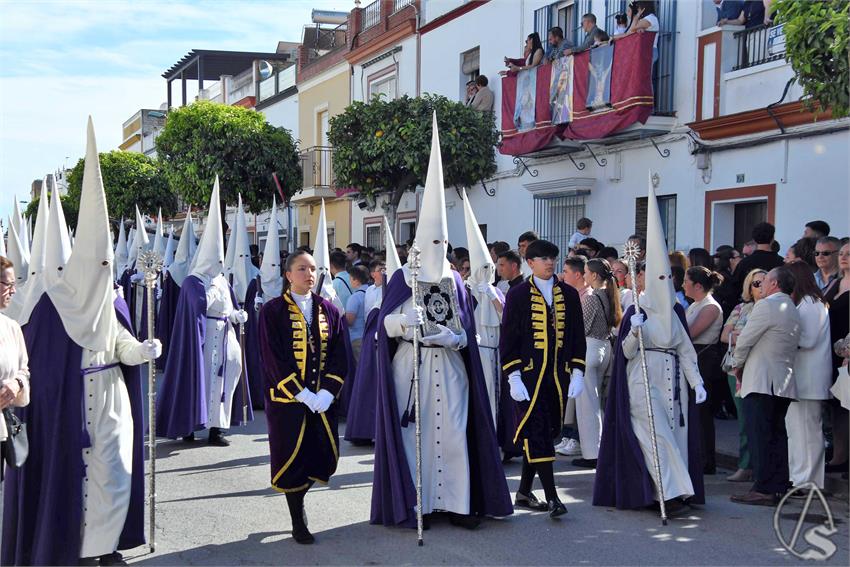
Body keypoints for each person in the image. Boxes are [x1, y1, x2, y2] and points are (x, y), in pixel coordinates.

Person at [3, 120, 159, 566]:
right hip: (71, 411)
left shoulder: (109, 303)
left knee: (113, 477)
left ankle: (105, 546)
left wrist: (143, 350)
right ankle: (71, 546)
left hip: (110, 404)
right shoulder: (48, 313)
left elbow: (120, 343)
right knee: (69, 479)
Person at [371, 114, 512, 529]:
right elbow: (383, 327)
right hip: (410, 368)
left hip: (449, 368)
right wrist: (401, 320)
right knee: (414, 440)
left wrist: (455, 337)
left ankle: (459, 504)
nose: (438, 247)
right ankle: (419, 506)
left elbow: (465, 329)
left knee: (453, 436)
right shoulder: (401, 277)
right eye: (432, 240)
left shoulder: (455, 280)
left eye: (443, 242)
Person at [594, 183, 707, 516]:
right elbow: (626, 353)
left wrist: (697, 382)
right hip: (643, 383)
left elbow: (686, 349)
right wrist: (634, 332)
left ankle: (678, 491)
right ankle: (668, 495)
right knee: (656, 437)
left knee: (673, 436)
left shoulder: (675, 312)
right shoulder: (635, 311)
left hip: (672, 384)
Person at [258, 250, 349, 544]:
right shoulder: (272, 312)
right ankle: (298, 519)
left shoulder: (330, 311)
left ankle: (300, 500)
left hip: (322, 402)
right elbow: (273, 358)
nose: (309, 274)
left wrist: (327, 391)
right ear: (288, 275)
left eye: (312, 268)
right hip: (288, 403)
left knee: (324, 456)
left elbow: (339, 355)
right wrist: (301, 393)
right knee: (291, 460)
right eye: (301, 268)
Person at [156, 177, 251, 446]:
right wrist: (208, 290)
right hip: (203, 339)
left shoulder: (223, 280)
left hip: (225, 336)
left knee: (226, 377)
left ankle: (216, 427)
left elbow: (228, 306)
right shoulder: (193, 281)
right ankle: (190, 424)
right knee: (203, 380)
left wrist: (236, 316)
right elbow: (197, 308)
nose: (219, 264)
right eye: (215, 260)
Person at [501, 239, 586, 517]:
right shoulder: (518, 295)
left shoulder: (570, 295)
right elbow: (509, 337)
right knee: (537, 433)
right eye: (542, 258)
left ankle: (524, 492)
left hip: (558, 379)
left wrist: (578, 371)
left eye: (552, 257)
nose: (549, 262)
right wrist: (512, 375)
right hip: (527, 378)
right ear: (530, 263)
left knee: (545, 433)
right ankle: (553, 498)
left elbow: (576, 336)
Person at [730, 266, 800, 506]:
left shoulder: (767, 305)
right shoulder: (791, 307)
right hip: (782, 381)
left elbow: (745, 339)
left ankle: (763, 488)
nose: (760, 287)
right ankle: (777, 486)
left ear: (774, 284)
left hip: (762, 381)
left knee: (760, 437)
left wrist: (736, 365)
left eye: (764, 282)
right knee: (777, 436)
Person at [784, 262, 831, 489]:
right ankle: (798, 477)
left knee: (808, 432)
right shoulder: (805, 303)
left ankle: (809, 481)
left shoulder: (812, 304)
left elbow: (808, 340)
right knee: (797, 431)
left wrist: (782, 338)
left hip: (809, 379)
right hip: (801, 378)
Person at [572, 258, 620, 468]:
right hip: (603, 348)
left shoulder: (592, 297)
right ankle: (596, 450)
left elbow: (582, 327)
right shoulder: (608, 295)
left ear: (594, 275)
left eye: (586, 272)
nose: (583, 275)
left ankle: (592, 454)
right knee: (595, 403)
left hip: (590, 349)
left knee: (587, 406)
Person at [720, 268, 767, 483]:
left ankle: (754, 465)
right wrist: (743, 336)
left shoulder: (771, 308)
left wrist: (741, 336)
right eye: (756, 283)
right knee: (743, 420)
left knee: (758, 420)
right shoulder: (741, 308)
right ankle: (745, 465)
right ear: (749, 287)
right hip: (736, 369)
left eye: (764, 282)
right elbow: (724, 335)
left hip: (759, 368)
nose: (761, 287)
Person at [684, 266, 725, 475]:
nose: (683, 285)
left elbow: (690, 333)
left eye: (686, 281)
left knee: (702, 413)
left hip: (705, 360)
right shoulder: (695, 305)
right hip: (694, 358)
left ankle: (706, 460)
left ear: (698, 286)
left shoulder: (710, 307)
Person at [555, 256, 590, 458]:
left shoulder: (586, 296)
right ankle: (568, 436)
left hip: (582, 351)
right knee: (571, 401)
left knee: (580, 401)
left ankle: (576, 438)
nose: (562, 275)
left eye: (566, 271)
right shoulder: (571, 294)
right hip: (568, 350)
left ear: (577, 274)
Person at [0, 256, 30, 477]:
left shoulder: (11, 328)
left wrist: (17, 383)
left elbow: (24, 369)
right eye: (8, 285)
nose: (13, 291)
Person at [824, 242, 850, 475]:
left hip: (846, 353)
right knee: (837, 407)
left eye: (849, 255)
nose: (844, 258)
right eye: (841, 253)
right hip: (830, 353)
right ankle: (840, 457)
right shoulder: (834, 283)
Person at [730, 222, 784, 303]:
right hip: (776, 306)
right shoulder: (782, 263)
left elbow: (735, 290)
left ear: (754, 240)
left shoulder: (744, 263)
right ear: (772, 238)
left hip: (749, 307)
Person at [345, 265, 369, 363]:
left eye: (350, 278)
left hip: (357, 338)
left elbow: (349, 321)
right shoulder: (372, 292)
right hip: (370, 336)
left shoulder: (355, 297)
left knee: (360, 369)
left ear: (355, 280)